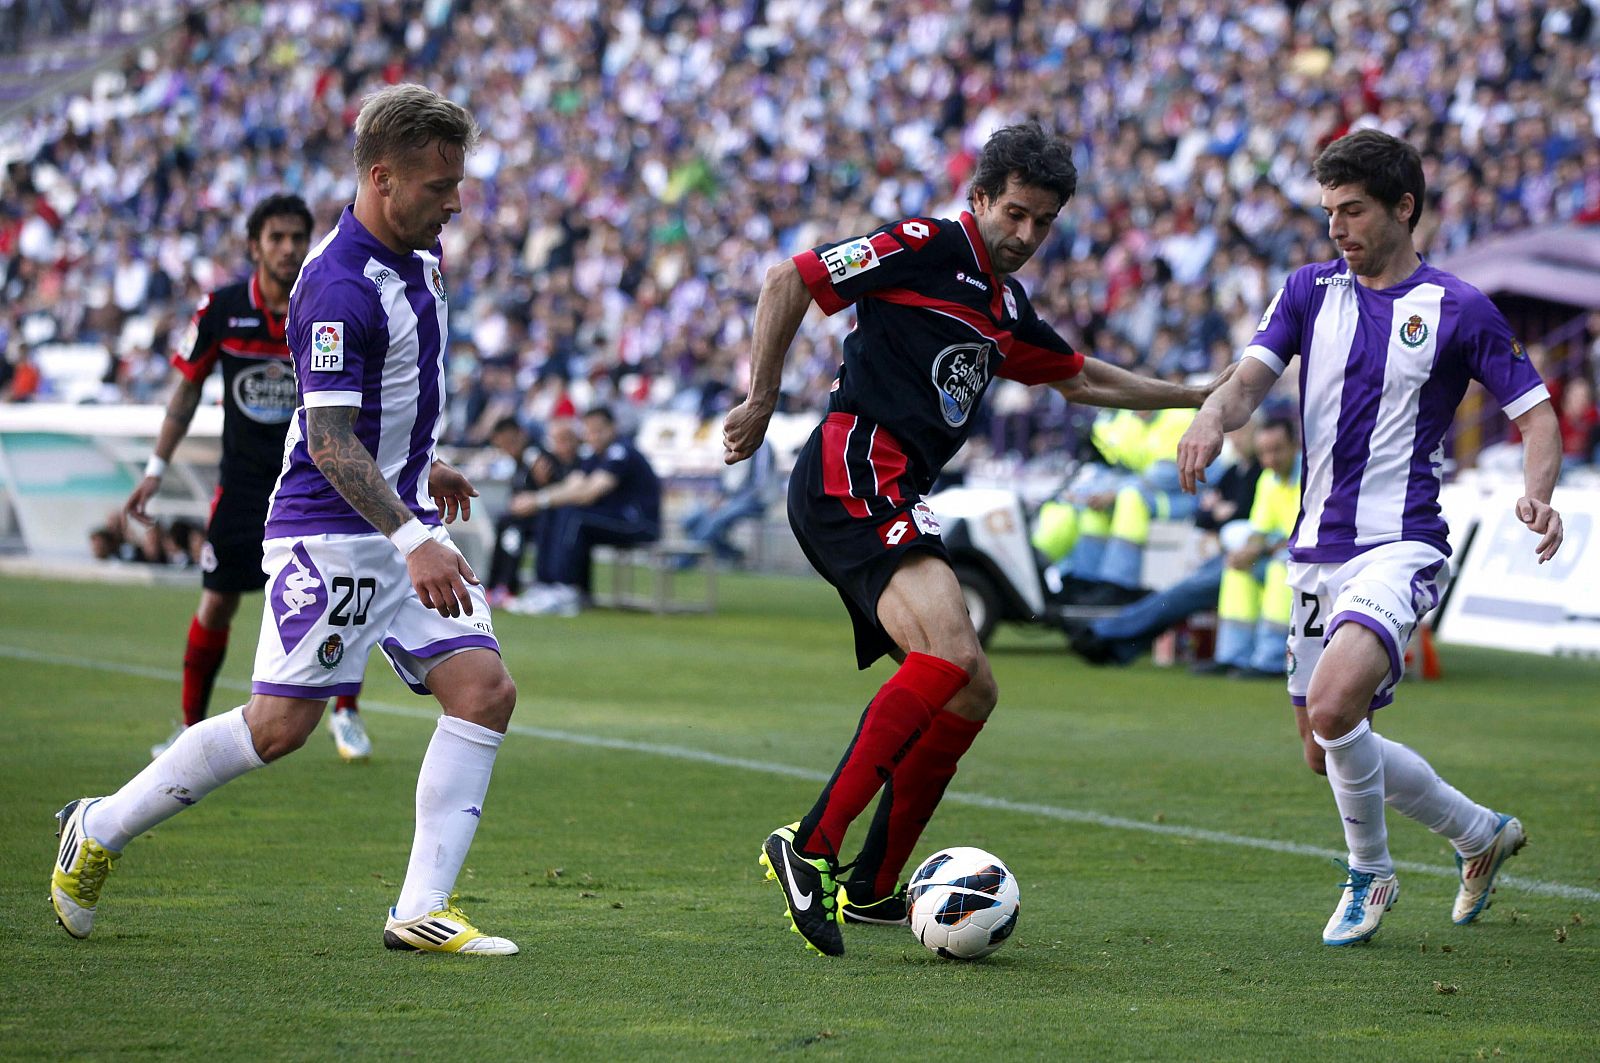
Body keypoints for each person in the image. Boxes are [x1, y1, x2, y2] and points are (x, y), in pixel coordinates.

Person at [723, 121, 1230, 957]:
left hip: (897, 486)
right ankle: (808, 846)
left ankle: (875, 884)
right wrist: (763, 395)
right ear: (982, 197)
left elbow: (1083, 378)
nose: (1025, 235)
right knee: (953, 656)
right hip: (855, 465)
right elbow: (791, 279)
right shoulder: (925, 244)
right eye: (1015, 214)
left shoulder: (1005, 307)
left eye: (1043, 224)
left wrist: (1195, 396)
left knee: (972, 687)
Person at [52, 84, 521, 955]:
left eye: (459, 182)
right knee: (279, 728)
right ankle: (100, 825)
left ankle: (421, 906)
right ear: (381, 178)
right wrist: (412, 535)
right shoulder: (337, 287)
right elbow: (330, 440)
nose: (455, 202)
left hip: (402, 513)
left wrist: (425, 459)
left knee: (484, 690)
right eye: (438, 185)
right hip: (335, 530)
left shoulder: (420, 256)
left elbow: (383, 404)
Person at [1177, 129, 1564, 947]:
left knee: (1333, 703)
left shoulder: (1459, 308)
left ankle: (1370, 873)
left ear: (1404, 207)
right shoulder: (1309, 291)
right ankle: (1479, 833)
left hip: (1404, 542)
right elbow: (1249, 379)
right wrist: (1213, 414)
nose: (1337, 229)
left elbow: (1536, 416)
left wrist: (1537, 497)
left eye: (1352, 210)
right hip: (1316, 547)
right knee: (1326, 747)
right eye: (1328, 212)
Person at [125, 194, 374, 762]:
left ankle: (348, 713)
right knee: (216, 604)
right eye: (277, 238)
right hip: (241, 486)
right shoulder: (222, 309)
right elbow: (186, 391)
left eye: (296, 238)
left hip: (317, 483)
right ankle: (190, 732)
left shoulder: (330, 300)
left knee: (342, 601)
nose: (288, 248)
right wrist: (155, 470)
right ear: (254, 245)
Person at [506, 406, 661, 618]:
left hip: (638, 523)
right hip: (612, 518)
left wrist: (538, 499)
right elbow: (573, 485)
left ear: (612, 428)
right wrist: (539, 500)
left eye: (599, 430)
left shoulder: (621, 452)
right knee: (554, 510)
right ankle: (545, 584)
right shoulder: (593, 455)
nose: (594, 436)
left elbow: (590, 491)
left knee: (574, 515)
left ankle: (565, 589)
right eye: (589, 431)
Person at [1189, 414, 1300, 678]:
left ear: (1295, 445)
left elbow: (1307, 536)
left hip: (1309, 561)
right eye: (1264, 453)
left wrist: (1260, 548)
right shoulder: (1268, 480)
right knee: (1237, 566)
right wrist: (1247, 551)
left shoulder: (1313, 477)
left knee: (1279, 565)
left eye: (1276, 451)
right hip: (1282, 554)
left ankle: (1271, 661)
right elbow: (1259, 531)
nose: (1269, 460)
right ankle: (1233, 657)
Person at [483, 415, 581, 605]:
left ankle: (507, 585)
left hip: (546, 519)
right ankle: (494, 584)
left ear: (520, 435)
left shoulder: (535, 457)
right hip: (529, 518)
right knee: (504, 522)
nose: (508, 449)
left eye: (510, 442)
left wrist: (542, 484)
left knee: (511, 528)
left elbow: (555, 487)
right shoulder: (519, 462)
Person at [677, 438, 776, 567]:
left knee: (714, 521)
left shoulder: (761, 445)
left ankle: (683, 562)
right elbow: (725, 478)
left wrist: (728, 502)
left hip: (755, 501)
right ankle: (731, 554)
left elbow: (759, 484)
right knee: (690, 520)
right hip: (730, 499)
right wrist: (719, 499)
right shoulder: (732, 442)